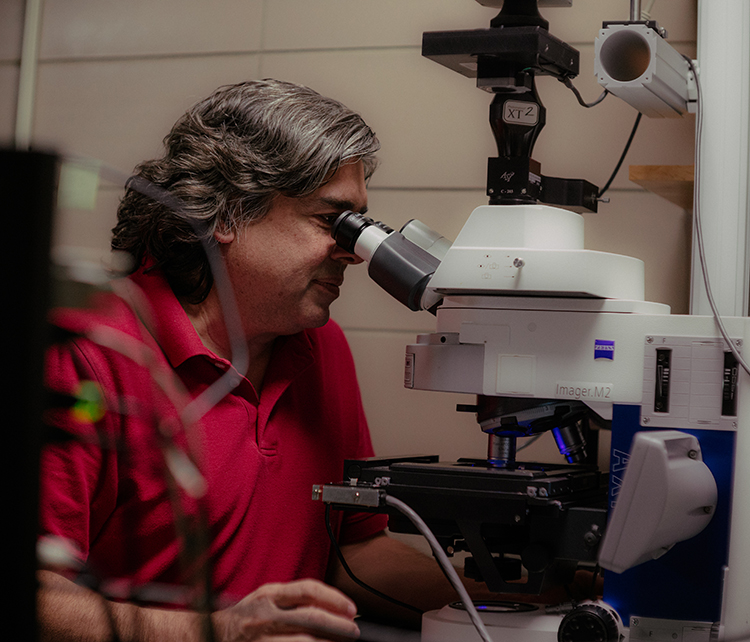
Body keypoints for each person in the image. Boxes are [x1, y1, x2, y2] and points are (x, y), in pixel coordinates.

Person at [38, 78, 479, 642]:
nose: (354, 252)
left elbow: (355, 554)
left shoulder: (320, 347)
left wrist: (524, 598)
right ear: (226, 216)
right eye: (332, 221)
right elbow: (35, 599)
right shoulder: (91, 353)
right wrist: (223, 631)